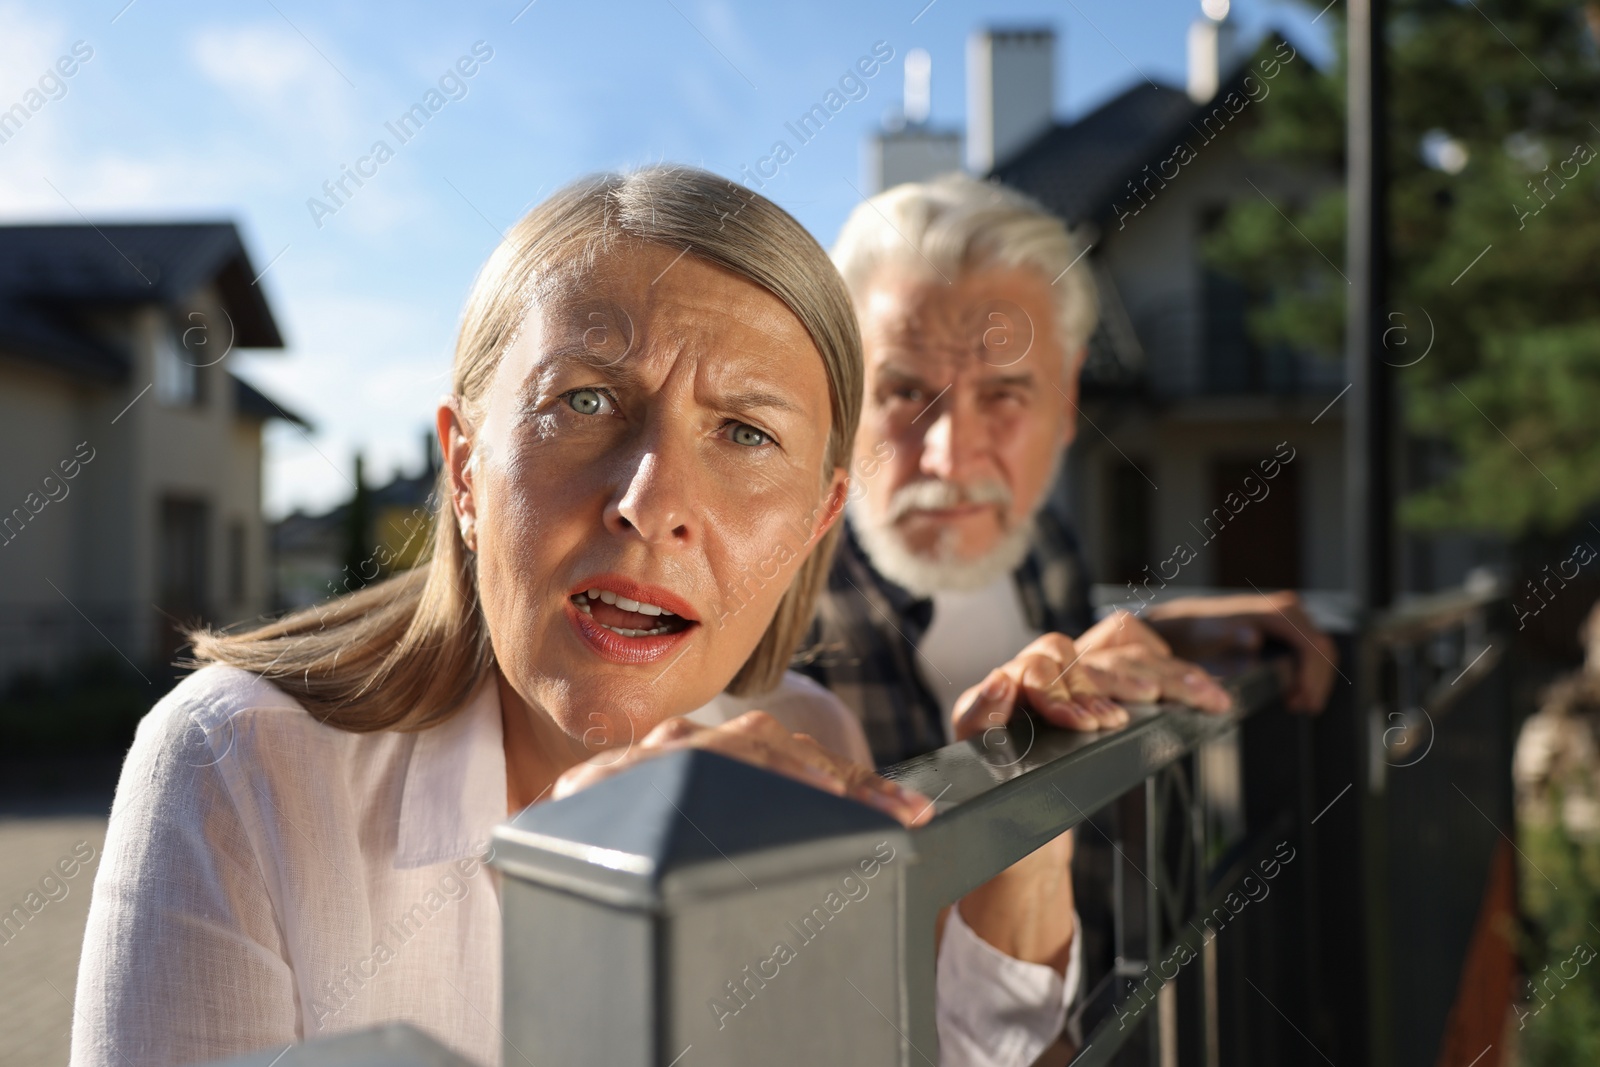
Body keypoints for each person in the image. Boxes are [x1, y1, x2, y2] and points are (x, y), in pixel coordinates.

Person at [71, 167, 1080, 1067]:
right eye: (588, 401)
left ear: (817, 521)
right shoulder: (233, 770)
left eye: (742, 429)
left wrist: (1030, 841)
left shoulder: (811, 740)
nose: (651, 499)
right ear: (464, 465)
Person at [799, 173, 1339, 768]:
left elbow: (1069, 652)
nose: (949, 457)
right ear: (842, 393)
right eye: (904, 392)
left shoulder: (1045, 545)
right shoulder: (765, 610)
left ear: (1067, 399)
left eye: (1003, 395)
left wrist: (1162, 635)